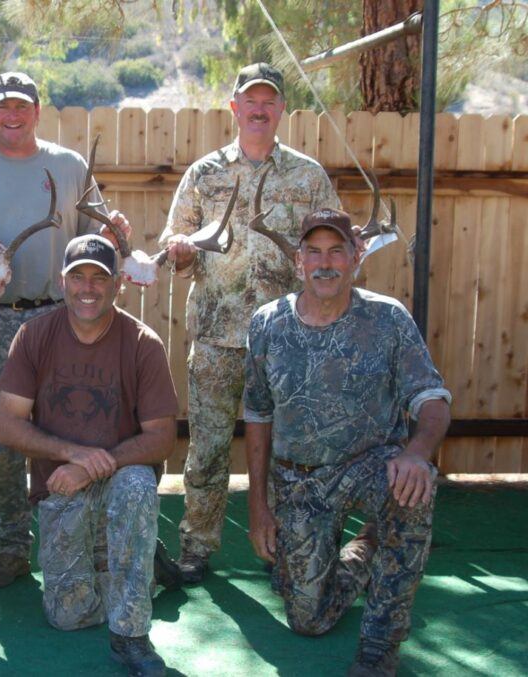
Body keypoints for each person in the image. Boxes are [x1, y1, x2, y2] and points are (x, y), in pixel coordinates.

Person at [0, 71, 135, 589]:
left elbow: (98, 245)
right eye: (3, 106)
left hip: (60, 316)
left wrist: (117, 235)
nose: (13, 114)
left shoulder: (69, 167)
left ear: (37, 111)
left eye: (22, 105)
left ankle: (79, 536)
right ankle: (12, 545)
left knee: (72, 422)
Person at [243, 208, 451, 676]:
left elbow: (432, 397)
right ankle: (363, 550)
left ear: (357, 255)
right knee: (308, 620)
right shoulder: (267, 323)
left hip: (372, 463)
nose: (325, 262)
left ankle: (381, 642)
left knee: (414, 489)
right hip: (300, 480)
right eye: (314, 251)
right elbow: (257, 413)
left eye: (337, 250)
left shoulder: (387, 318)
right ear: (298, 261)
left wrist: (417, 454)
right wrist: (259, 505)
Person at [160, 62, 341, 583]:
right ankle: (197, 546)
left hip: (289, 340)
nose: (260, 109)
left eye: (270, 101)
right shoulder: (205, 174)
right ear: (235, 107)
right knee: (209, 447)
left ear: (282, 109)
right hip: (217, 335)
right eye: (250, 100)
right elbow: (176, 243)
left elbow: (333, 251)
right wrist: (178, 250)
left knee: (292, 449)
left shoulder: (308, 176)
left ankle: (290, 547)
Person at [0, 235, 178, 676]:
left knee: (136, 484)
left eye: (99, 277)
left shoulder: (142, 342)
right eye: (78, 277)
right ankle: (138, 564)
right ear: (63, 281)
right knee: (67, 617)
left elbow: (162, 437)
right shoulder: (35, 335)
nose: (88, 288)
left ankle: (130, 635)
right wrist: (72, 455)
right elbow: (7, 423)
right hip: (61, 486)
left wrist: (98, 464)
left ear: (118, 283)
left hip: (119, 482)